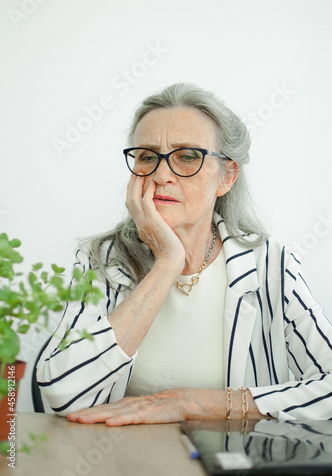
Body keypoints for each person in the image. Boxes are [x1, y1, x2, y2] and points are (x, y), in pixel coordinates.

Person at [37, 83, 332, 426]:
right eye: (147, 157)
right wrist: (167, 263)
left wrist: (191, 403)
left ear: (227, 176)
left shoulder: (271, 264)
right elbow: (62, 393)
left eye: (187, 156)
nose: (161, 175)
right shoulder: (103, 260)